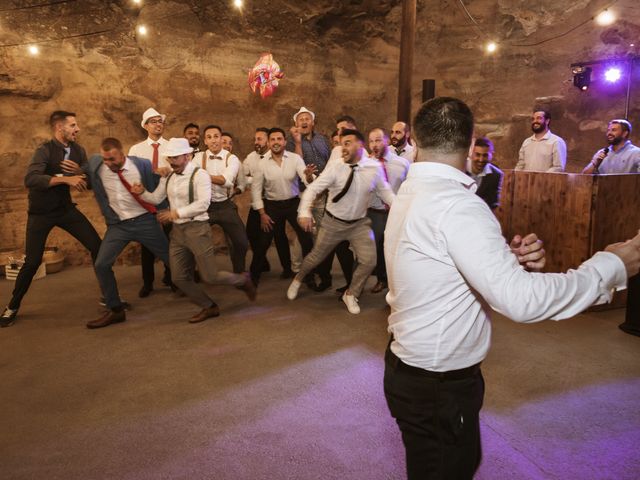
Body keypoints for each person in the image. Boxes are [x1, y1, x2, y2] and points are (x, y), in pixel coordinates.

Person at [383, 96, 640, 479]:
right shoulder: (459, 206)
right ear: (471, 147)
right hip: (438, 385)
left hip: (412, 370)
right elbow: (519, 301)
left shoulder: (412, 191)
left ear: (416, 143)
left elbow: (435, 261)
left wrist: (505, 261)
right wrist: (610, 266)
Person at [132, 138, 256, 323]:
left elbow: (203, 204)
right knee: (179, 278)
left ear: (187, 156)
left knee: (210, 276)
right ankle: (209, 306)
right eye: (169, 158)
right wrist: (142, 193)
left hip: (197, 229)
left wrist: (175, 213)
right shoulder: (169, 177)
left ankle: (242, 280)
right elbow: (157, 197)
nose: (171, 161)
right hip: (178, 233)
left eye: (175, 157)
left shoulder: (200, 175)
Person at [1, 111, 102, 327]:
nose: (78, 129)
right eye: (73, 125)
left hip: (65, 210)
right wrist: (65, 179)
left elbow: (88, 182)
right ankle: (12, 306)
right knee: (32, 262)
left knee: (98, 247)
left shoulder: (78, 150)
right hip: (40, 213)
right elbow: (31, 179)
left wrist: (82, 170)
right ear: (59, 127)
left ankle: (110, 296)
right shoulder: (44, 150)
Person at [287, 129, 395, 314]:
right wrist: (304, 212)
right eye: (341, 143)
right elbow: (313, 189)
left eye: (347, 143)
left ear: (360, 145)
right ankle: (298, 278)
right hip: (332, 222)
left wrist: (402, 209)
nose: (342, 147)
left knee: (369, 261)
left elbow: (386, 193)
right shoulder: (336, 166)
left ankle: (351, 294)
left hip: (359, 224)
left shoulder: (374, 168)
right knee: (316, 257)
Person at [83, 137, 172, 329]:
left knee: (172, 259)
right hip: (118, 225)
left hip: (145, 221)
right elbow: (84, 172)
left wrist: (163, 209)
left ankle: (200, 296)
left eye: (112, 159)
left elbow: (157, 186)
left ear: (122, 154)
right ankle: (115, 310)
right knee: (101, 264)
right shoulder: (96, 164)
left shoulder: (142, 164)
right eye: (105, 159)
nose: (109, 164)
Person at [581, 119, 640, 337]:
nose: (609, 132)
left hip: (625, 212)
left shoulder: (636, 154)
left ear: (625, 133)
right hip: (602, 211)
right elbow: (585, 177)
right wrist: (595, 163)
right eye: (608, 129)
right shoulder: (602, 153)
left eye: (614, 130)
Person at [249, 127, 316, 286]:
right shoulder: (262, 164)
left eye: (279, 139)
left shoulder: (295, 159)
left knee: (307, 239)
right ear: (269, 142)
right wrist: (262, 214)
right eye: (273, 139)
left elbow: (307, 180)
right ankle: (253, 276)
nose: (276, 142)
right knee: (264, 241)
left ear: (285, 142)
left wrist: (308, 175)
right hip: (272, 206)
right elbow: (256, 191)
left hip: (293, 204)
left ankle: (309, 275)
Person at [192, 125, 249, 274]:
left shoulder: (232, 158)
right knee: (192, 240)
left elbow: (227, 181)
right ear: (205, 141)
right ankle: (193, 273)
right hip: (205, 206)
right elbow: (190, 179)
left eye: (216, 136)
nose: (213, 140)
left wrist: (202, 175)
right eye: (209, 137)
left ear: (221, 138)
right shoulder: (198, 158)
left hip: (225, 205)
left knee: (241, 242)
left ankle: (239, 273)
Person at [128, 107, 173, 298]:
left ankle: (172, 278)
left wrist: (167, 171)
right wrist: (153, 172)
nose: (158, 124)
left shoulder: (172, 146)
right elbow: (131, 174)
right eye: (153, 121)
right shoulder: (136, 149)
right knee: (147, 243)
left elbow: (180, 169)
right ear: (145, 126)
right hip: (145, 200)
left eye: (160, 121)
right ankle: (147, 283)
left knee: (171, 240)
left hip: (167, 198)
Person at [367, 128, 410, 294]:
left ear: (386, 141)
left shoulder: (402, 164)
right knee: (377, 248)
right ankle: (381, 279)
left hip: (396, 213)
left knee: (396, 249)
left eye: (378, 140)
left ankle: (397, 284)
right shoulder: (366, 164)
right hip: (375, 212)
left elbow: (408, 188)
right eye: (371, 141)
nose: (374, 145)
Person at [242, 127, 289, 275]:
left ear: (268, 142)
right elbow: (243, 177)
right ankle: (262, 263)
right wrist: (255, 180)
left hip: (272, 201)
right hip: (257, 202)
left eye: (259, 139)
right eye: (255, 139)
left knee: (279, 234)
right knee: (251, 232)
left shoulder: (275, 156)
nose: (256, 142)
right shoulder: (250, 157)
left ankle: (287, 268)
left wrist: (256, 180)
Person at [467, 136, 504, 210]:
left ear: (491, 155)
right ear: (471, 154)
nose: (481, 159)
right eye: (477, 154)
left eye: (485, 155)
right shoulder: (460, 167)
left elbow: (493, 203)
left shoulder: (496, 175)